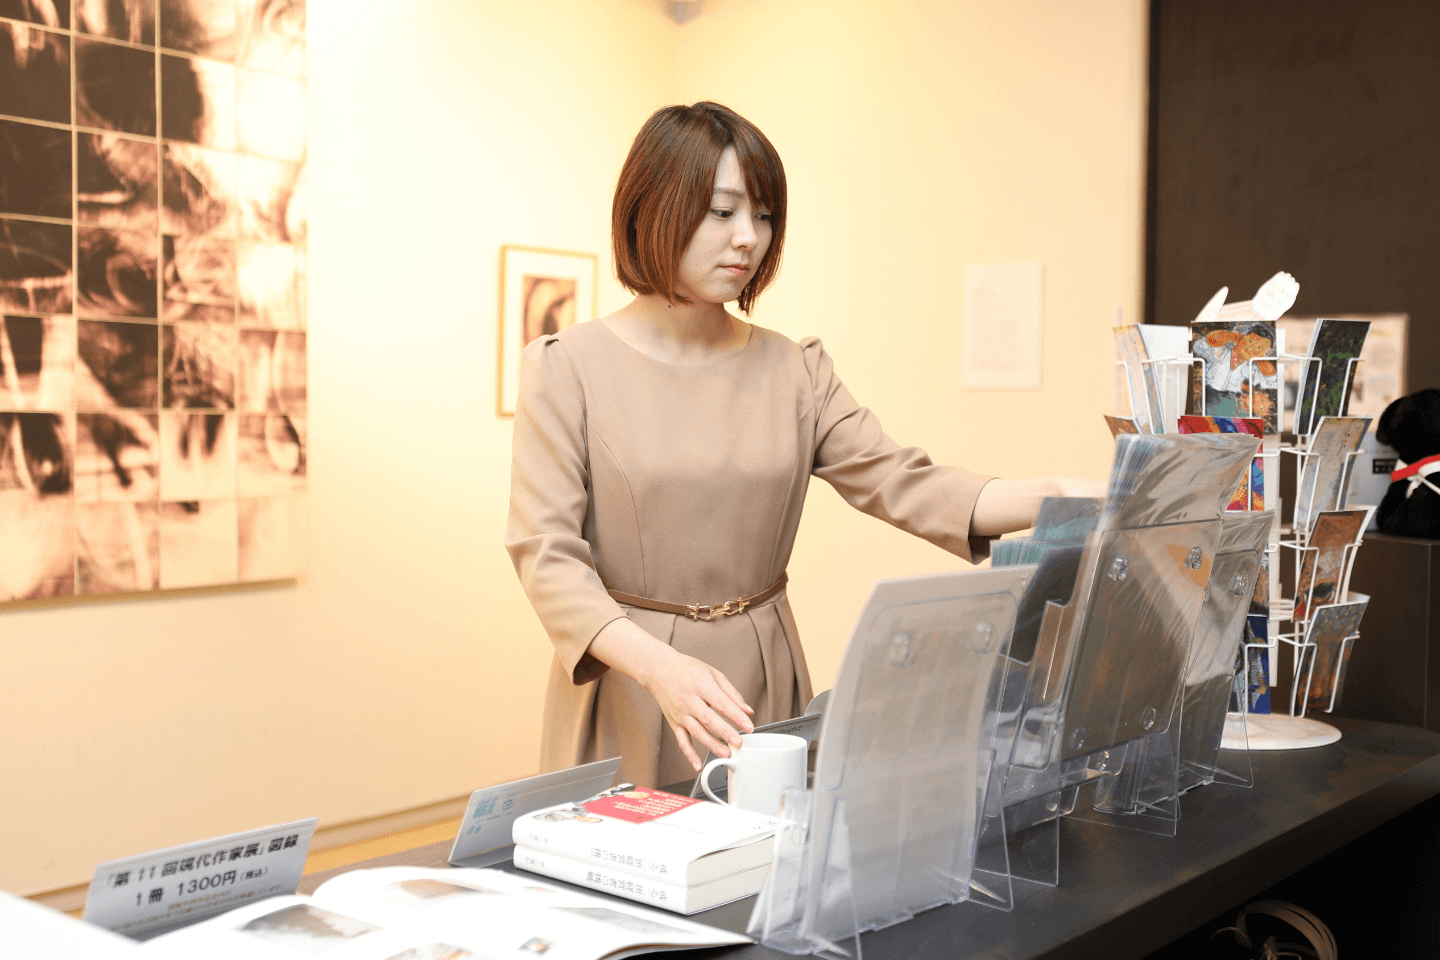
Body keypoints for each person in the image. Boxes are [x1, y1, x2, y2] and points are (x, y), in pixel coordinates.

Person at [506, 102, 1102, 788]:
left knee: (767, 852)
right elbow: (547, 559)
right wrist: (659, 667)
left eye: (763, 216)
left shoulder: (795, 369)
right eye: (722, 212)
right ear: (652, 208)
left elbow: (905, 481)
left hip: (763, 677)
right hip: (630, 681)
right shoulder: (566, 367)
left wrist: (1058, 493)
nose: (748, 239)